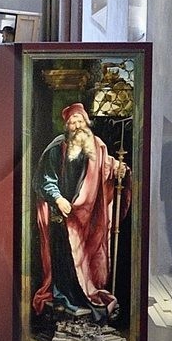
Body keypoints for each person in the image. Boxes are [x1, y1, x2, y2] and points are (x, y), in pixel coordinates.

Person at [31, 99, 130, 327]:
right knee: (65, 260)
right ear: (67, 126)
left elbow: (107, 165)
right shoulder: (56, 148)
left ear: (86, 123)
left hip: (87, 219)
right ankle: (65, 300)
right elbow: (44, 179)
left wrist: (120, 169)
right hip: (63, 215)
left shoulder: (96, 145)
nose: (77, 126)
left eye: (80, 121)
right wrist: (58, 198)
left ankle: (86, 297)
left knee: (87, 259)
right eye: (72, 122)